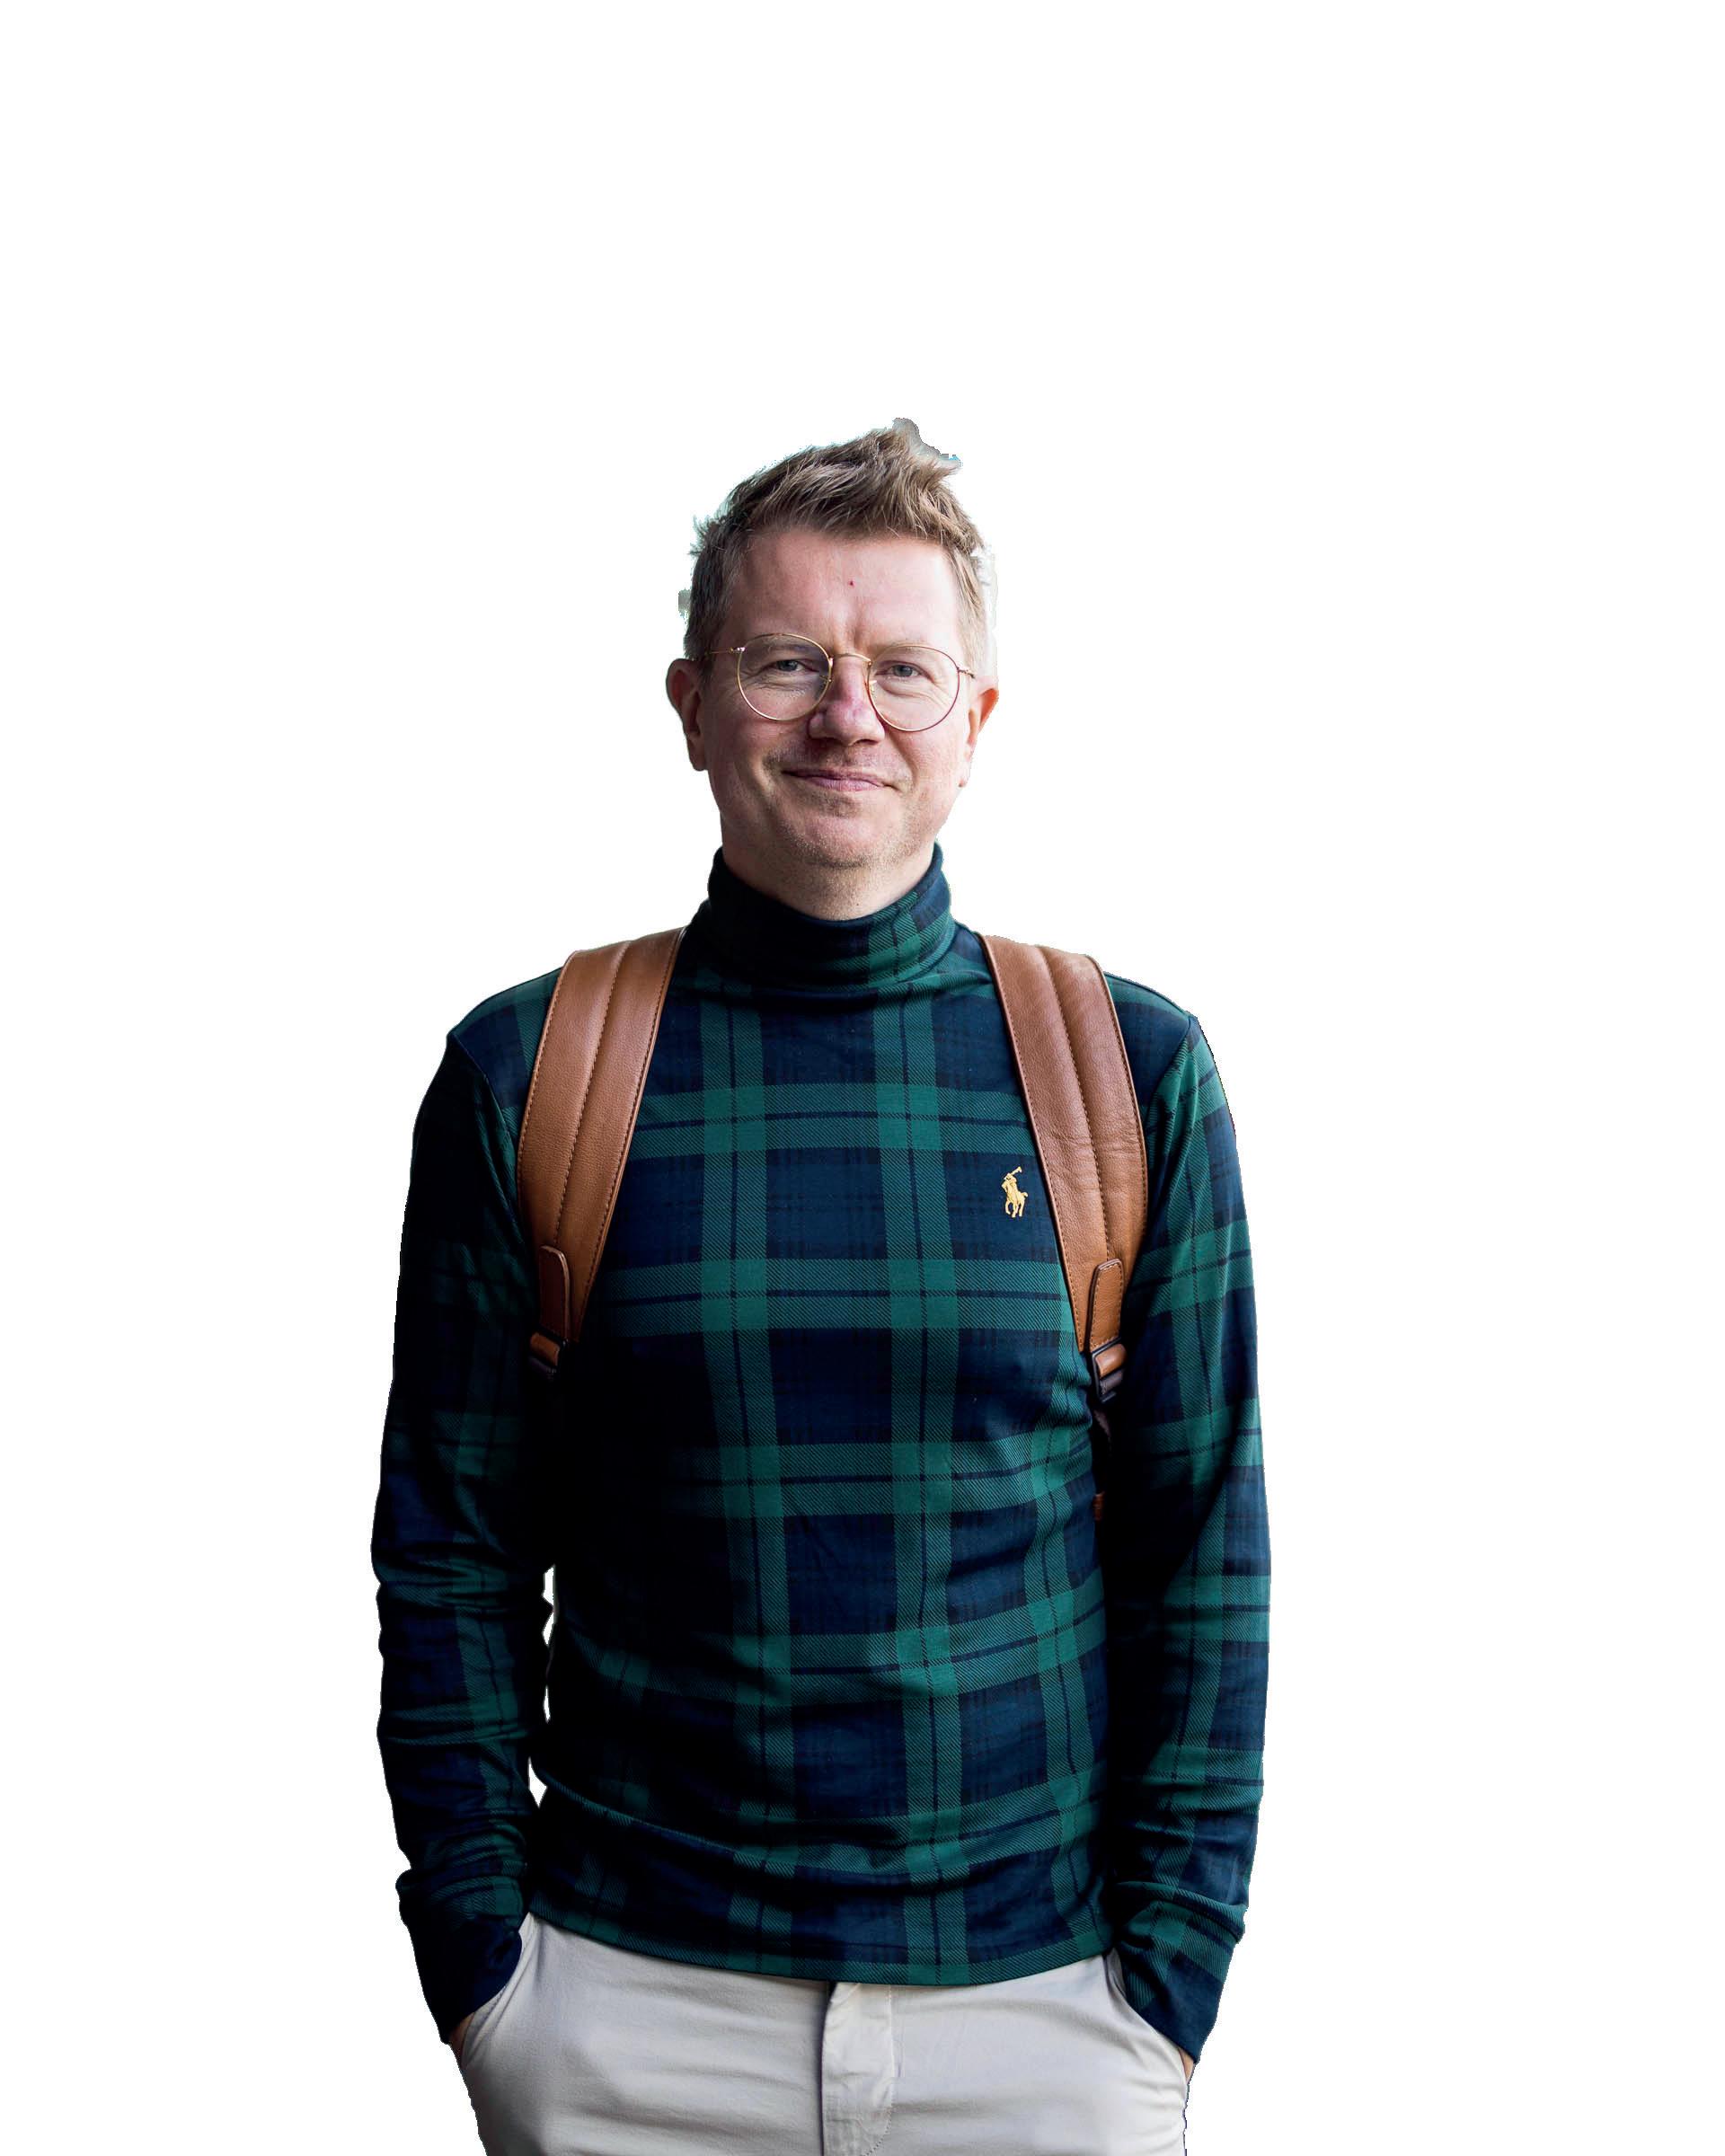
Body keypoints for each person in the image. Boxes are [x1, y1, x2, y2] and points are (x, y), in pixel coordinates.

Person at [370, 418, 1269, 2155]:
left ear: (975, 722)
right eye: (788, 663)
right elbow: (452, 1550)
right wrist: (486, 1970)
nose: (847, 715)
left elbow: (1203, 1553)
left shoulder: (1128, 1075)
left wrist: (1168, 1982)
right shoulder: (531, 1075)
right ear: (693, 704)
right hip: (629, 2007)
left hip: (1044, 2012)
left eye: (901, 670)